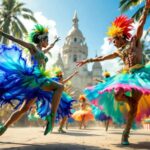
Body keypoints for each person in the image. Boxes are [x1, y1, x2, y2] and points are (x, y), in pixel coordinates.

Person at [76, 0, 150, 145]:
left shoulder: (134, 41)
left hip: (140, 75)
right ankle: (132, 102)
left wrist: (146, 9)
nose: (113, 42)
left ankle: (125, 134)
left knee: (133, 109)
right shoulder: (118, 51)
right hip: (127, 76)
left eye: (114, 40)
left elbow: (140, 24)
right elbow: (102, 57)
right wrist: (87, 61)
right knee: (117, 96)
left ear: (121, 36)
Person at [0, 24, 64, 136]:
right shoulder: (32, 47)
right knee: (60, 87)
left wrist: (54, 43)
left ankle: (4, 127)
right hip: (35, 79)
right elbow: (16, 39)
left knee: (24, 109)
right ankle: (51, 117)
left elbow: (49, 48)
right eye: (47, 40)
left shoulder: (42, 51)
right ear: (41, 39)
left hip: (39, 81)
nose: (47, 42)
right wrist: (2, 33)